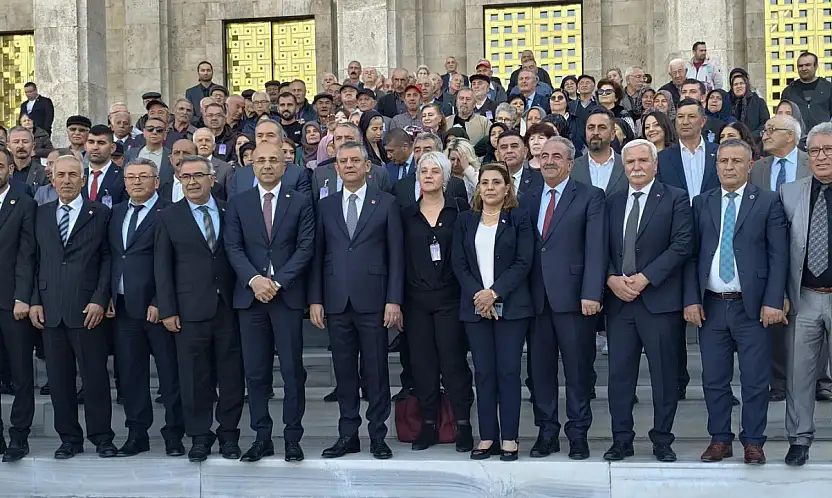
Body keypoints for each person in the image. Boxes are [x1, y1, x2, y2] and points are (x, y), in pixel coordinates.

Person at [683, 138, 787, 465]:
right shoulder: (702, 202)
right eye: (723, 161)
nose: (729, 167)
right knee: (714, 379)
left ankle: (753, 441)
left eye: (736, 161)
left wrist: (773, 300)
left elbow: (778, 255)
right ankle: (720, 439)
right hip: (711, 306)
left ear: (749, 164)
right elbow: (691, 255)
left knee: (755, 380)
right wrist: (691, 299)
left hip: (753, 308)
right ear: (716, 166)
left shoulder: (768, 202)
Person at [309, 141, 404, 460]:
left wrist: (394, 299)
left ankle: (378, 434)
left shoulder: (387, 203)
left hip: (375, 301)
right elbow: (318, 256)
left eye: (355, 160)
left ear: (367, 166)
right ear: (336, 168)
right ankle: (347, 435)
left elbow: (396, 256)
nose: (349, 165)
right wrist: (316, 299)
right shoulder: (325, 205)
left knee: (376, 371)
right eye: (343, 161)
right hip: (336, 301)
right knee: (345, 371)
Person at [603, 139, 693, 463]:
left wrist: (646, 277)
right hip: (620, 303)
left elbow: (683, 245)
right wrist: (611, 278)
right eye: (630, 162)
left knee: (664, 377)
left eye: (643, 160)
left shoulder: (676, 199)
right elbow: (601, 248)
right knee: (619, 377)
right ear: (623, 166)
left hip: (659, 301)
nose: (636, 167)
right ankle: (621, 440)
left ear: (655, 164)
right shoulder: (611, 202)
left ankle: (662, 440)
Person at [224, 143, 314, 463]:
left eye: (273, 160)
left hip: (285, 297)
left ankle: (292, 437)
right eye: (260, 160)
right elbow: (232, 247)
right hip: (250, 299)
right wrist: (254, 280)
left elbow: (306, 247)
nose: (266, 165)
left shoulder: (301, 201)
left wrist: (277, 282)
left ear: (284, 164)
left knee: (292, 371)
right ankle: (262, 436)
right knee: (256, 373)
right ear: (251, 165)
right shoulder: (238, 203)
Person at [154, 155, 245, 462]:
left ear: (211, 179)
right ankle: (199, 437)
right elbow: (162, 268)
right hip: (189, 310)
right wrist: (167, 310)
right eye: (186, 176)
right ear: (179, 180)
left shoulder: (229, 210)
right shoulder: (168, 216)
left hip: (229, 307)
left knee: (232, 376)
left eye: (198, 176)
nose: (192, 181)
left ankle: (229, 436)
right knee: (194, 378)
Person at [521, 137, 606, 461]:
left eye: (557, 155)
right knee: (540, 372)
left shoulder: (589, 196)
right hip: (536, 300)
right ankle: (547, 433)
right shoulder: (526, 197)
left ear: (571, 163)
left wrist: (591, 293)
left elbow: (596, 249)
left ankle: (578, 433)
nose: (550, 160)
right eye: (544, 156)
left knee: (578, 370)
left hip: (574, 300)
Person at [29, 154, 116, 459]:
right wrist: (35, 301)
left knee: (94, 379)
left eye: (72, 175)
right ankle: (69, 439)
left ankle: (102, 437)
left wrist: (99, 298)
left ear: (83, 179)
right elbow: (33, 261)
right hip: (51, 310)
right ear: (51, 179)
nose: (66, 180)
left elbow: (109, 259)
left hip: (87, 310)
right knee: (60, 382)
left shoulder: (101, 213)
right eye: (60, 175)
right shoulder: (40, 214)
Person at [452, 162, 534, 461]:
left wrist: (494, 293)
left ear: (507, 187)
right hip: (476, 309)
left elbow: (524, 262)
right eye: (484, 182)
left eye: (496, 182)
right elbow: (459, 263)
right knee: (484, 373)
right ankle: (487, 436)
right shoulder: (465, 220)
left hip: (511, 308)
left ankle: (510, 437)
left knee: (509, 373)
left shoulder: (519, 218)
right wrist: (480, 297)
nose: (489, 187)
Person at [106, 157, 184, 457]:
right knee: (130, 375)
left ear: (156, 181)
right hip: (124, 309)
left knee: (169, 376)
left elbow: (177, 262)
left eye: (143, 176)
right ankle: (137, 434)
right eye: (130, 177)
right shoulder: (115, 213)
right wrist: (107, 294)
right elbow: (111, 257)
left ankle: (174, 434)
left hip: (158, 310)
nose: (136, 182)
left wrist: (160, 302)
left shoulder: (171, 212)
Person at [397, 152, 474, 452]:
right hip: (416, 302)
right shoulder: (406, 213)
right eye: (423, 171)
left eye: (435, 171)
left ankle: (463, 424)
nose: (428, 175)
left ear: (445, 177)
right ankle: (428, 424)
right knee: (422, 365)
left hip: (451, 300)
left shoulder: (460, 211)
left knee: (454, 364)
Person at [780, 122, 832, 466]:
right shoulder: (789, 192)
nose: (821, 157)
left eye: (828, 150)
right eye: (814, 151)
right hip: (805, 295)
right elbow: (779, 249)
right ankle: (799, 438)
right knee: (799, 373)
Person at [0, 146, 37, 462]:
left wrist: (22, 297)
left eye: (0, 165)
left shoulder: (24, 204)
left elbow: (27, 256)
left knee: (22, 373)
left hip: (13, 303)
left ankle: (19, 436)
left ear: (10, 169)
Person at [228, 120, 312, 198]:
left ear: (281, 142)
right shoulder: (240, 175)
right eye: (260, 136)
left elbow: (303, 208)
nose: (264, 139)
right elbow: (232, 209)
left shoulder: (299, 174)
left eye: (270, 135)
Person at [657, 99, 720, 202]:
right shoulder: (662, 158)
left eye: (691, 116)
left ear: (703, 121)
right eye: (680, 117)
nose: (685, 122)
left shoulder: (719, 153)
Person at [571, 109, 628, 196]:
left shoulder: (627, 165)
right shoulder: (572, 168)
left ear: (613, 134)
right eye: (591, 128)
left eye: (602, 127)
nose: (595, 133)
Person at [781, 51, 832, 131]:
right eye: (800, 66)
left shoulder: (828, 88)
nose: (803, 68)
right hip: (797, 139)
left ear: (816, 66)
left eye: (807, 65)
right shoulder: (789, 91)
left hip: (822, 137)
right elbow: (782, 117)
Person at [83, 125, 127, 207]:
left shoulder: (124, 176)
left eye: (101, 143)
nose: (95, 147)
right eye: (91, 142)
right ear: (85, 146)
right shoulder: (78, 175)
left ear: (112, 148)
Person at [496, 130, 543, 198]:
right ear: (497, 155)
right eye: (504, 147)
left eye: (514, 146)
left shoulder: (539, 180)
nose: (509, 151)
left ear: (525, 152)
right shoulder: (487, 181)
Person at [729, 68, 769, 141]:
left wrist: (749, 137)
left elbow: (765, 124)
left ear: (746, 84)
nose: (738, 86)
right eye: (735, 84)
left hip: (755, 143)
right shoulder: (727, 103)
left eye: (741, 83)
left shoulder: (759, 102)